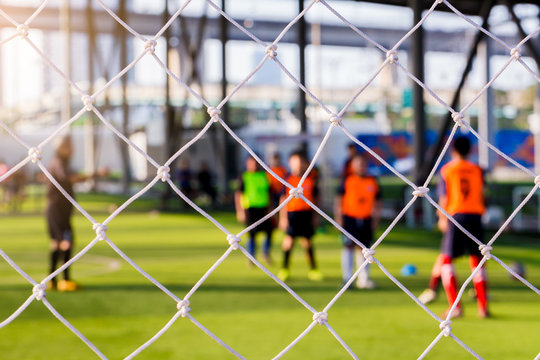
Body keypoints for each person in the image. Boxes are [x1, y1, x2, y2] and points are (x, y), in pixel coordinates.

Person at [436, 136, 489, 318]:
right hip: (475, 216)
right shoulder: (478, 170)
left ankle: (455, 307)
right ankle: (483, 307)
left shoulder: (447, 170)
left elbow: (444, 197)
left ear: (453, 150)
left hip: (455, 216)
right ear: (470, 150)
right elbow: (483, 193)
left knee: (447, 261)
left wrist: (441, 218)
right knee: (478, 261)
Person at [46, 136, 106, 291]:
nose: (73, 149)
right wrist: (96, 174)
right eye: (70, 145)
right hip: (57, 210)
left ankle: (52, 280)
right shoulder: (58, 161)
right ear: (62, 147)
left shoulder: (61, 161)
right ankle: (64, 280)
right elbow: (69, 177)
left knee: (57, 243)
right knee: (66, 242)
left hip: (58, 210)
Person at [334, 154, 381, 289]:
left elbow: (378, 201)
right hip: (349, 218)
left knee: (365, 249)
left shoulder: (372, 180)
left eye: (363, 164)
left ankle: (363, 279)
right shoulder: (347, 180)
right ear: (353, 166)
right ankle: (347, 278)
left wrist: (376, 218)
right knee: (348, 246)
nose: (361, 166)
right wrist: (339, 217)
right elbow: (339, 199)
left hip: (366, 218)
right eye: (358, 163)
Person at [278, 150, 322, 282]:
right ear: (290, 163)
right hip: (292, 214)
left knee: (307, 242)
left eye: (300, 162)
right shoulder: (287, 179)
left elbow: (316, 198)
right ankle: (284, 269)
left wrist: (316, 215)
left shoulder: (311, 178)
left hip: (306, 214)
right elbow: (282, 199)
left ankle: (313, 269)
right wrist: (283, 218)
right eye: (295, 162)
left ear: (305, 163)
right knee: (289, 242)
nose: (298, 165)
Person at [235, 156, 273, 263]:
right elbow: (238, 194)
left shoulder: (264, 176)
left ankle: (265, 253)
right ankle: (251, 257)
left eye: (256, 163)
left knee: (269, 231)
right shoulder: (244, 176)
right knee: (252, 234)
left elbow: (269, 192)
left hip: (263, 208)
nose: (254, 165)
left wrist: (270, 208)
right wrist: (240, 211)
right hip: (249, 209)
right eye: (251, 163)